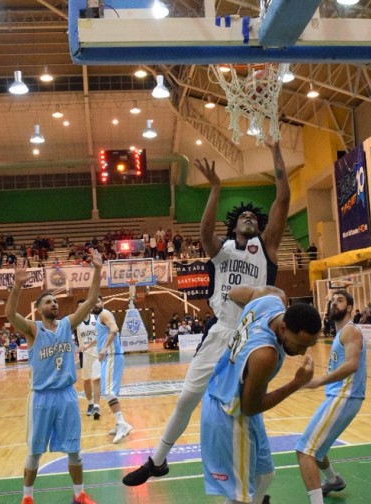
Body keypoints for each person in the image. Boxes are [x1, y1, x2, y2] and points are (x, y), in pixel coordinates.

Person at [123, 139, 290, 486]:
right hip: (220, 330)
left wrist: (275, 154)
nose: (248, 217)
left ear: (258, 227)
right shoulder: (223, 250)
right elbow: (202, 232)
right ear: (234, 226)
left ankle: (256, 484)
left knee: (246, 409)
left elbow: (283, 199)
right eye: (242, 215)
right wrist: (215, 188)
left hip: (251, 336)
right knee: (188, 396)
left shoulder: (267, 249)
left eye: (252, 217)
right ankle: (157, 460)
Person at [201, 285, 320, 503]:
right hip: (230, 411)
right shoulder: (266, 355)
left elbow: (235, 292)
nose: (303, 351)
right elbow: (250, 406)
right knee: (241, 496)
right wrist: (297, 383)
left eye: (310, 345)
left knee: (265, 475)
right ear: (283, 329)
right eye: (300, 344)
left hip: (238, 401)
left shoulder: (272, 299)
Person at [5, 251, 103, 504]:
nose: (53, 304)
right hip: (42, 397)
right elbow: (9, 314)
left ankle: (79, 494)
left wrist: (97, 270)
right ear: (38, 310)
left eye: (55, 301)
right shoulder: (32, 330)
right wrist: (17, 285)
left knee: (74, 450)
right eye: (47, 302)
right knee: (35, 453)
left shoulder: (67, 324)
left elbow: (92, 300)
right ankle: (27, 497)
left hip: (67, 395)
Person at [295, 290, 366, 504]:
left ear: (350, 308)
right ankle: (333, 480)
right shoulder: (340, 332)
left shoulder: (350, 331)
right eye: (333, 300)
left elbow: (352, 365)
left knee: (304, 450)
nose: (335, 303)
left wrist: (319, 380)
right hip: (339, 396)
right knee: (316, 447)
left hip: (345, 396)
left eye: (340, 300)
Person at [94, 295, 133, 443]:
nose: (95, 304)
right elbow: (101, 337)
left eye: (98, 301)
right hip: (109, 357)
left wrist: (103, 349)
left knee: (108, 392)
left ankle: (122, 424)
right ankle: (119, 424)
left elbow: (114, 329)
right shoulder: (98, 319)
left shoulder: (104, 313)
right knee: (110, 392)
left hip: (111, 356)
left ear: (102, 302)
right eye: (93, 302)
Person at [76, 299, 101, 420]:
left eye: (83, 306)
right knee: (86, 380)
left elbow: (100, 336)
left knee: (96, 379)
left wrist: (89, 345)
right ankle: (90, 403)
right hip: (83, 355)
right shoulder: (75, 321)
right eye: (79, 307)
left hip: (96, 352)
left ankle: (97, 405)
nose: (82, 309)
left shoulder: (96, 319)